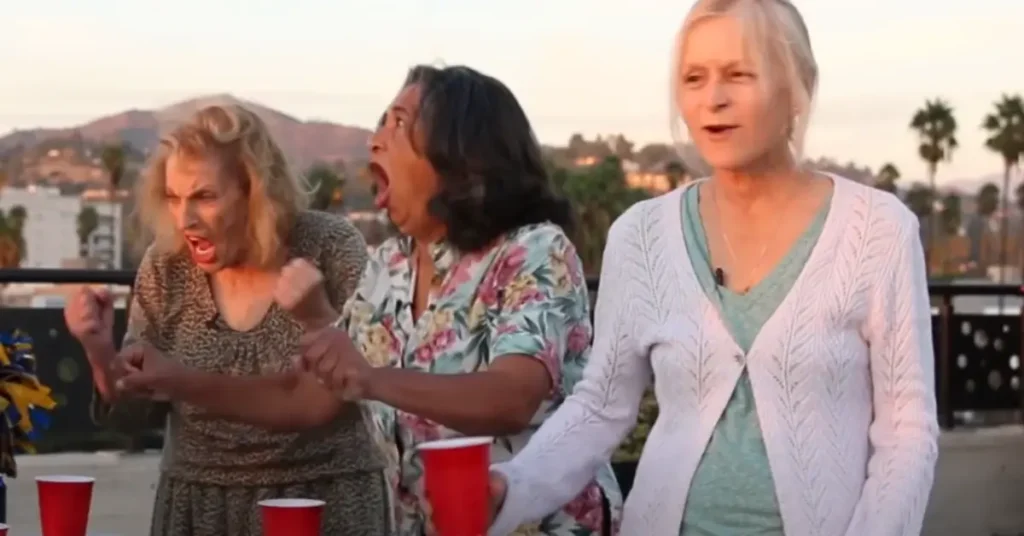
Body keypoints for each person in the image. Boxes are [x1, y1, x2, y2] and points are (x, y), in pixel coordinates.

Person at [486, 1, 939, 535]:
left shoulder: (877, 230)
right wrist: (513, 486)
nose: (714, 99)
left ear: (798, 87)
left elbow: (907, 433)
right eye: (694, 78)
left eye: (739, 74)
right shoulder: (641, 236)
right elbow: (601, 406)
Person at [284, 64, 622, 535]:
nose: (375, 140)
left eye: (399, 122)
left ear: (463, 154)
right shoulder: (388, 266)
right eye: (381, 122)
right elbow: (313, 398)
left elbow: (512, 398)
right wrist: (184, 384)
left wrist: (371, 378)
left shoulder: (533, 251)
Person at [63, 104, 391, 536]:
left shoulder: (330, 246)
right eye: (174, 198)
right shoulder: (165, 267)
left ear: (255, 192)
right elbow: (132, 418)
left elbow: (358, 388)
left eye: (205, 196)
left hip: (323, 504)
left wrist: (180, 379)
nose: (185, 219)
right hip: (198, 510)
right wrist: (99, 352)